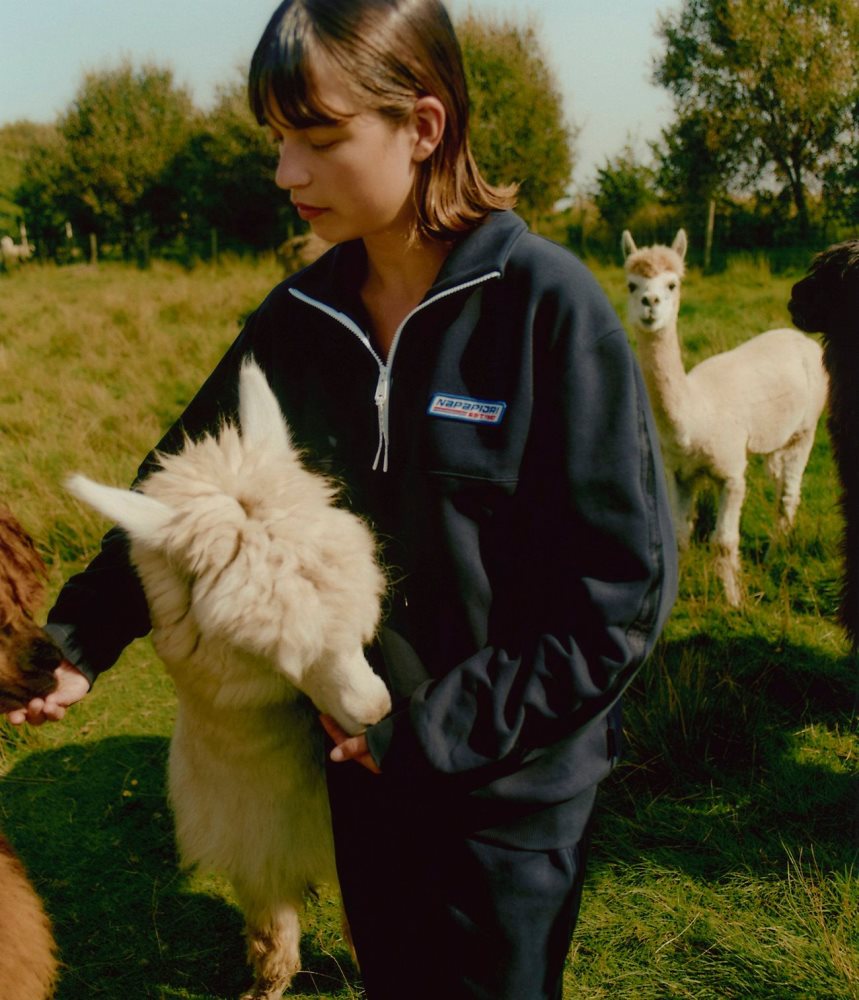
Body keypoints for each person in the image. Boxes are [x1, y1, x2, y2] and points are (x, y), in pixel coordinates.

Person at [7, 1, 677, 996]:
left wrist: (435, 732)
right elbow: (182, 479)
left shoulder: (548, 310)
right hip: (354, 771)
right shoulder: (300, 320)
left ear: (423, 125)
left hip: (508, 794)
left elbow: (620, 594)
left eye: (317, 139)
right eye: (278, 141)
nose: (285, 173)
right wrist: (80, 636)